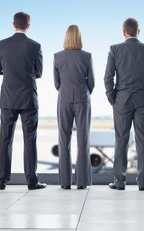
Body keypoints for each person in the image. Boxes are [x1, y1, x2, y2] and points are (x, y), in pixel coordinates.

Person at [104, 18, 144, 191]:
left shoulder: (115, 49)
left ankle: (119, 182)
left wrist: (112, 98)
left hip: (122, 100)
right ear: (138, 31)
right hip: (142, 99)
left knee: (121, 140)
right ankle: (143, 183)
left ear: (124, 32)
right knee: (143, 141)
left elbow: (108, 78)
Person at [0, 12, 47, 191]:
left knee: (5, 139)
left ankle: (1, 180)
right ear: (28, 25)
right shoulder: (35, 46)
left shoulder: (2, 45)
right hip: (28, 99)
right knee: (30, 139)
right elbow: (39, 72)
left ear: (13, 24)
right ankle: (32, 181)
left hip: (8, 98)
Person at [53, 25, 95, 190]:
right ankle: (82, 182)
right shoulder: (87, 57)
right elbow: (91, 82)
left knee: (64, 140)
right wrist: (83, 93)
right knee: (83, 141)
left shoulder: (57, 56)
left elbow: (56, 83)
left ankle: (64, 182)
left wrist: (65, 92)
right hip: (82, 100)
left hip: (63, 100)